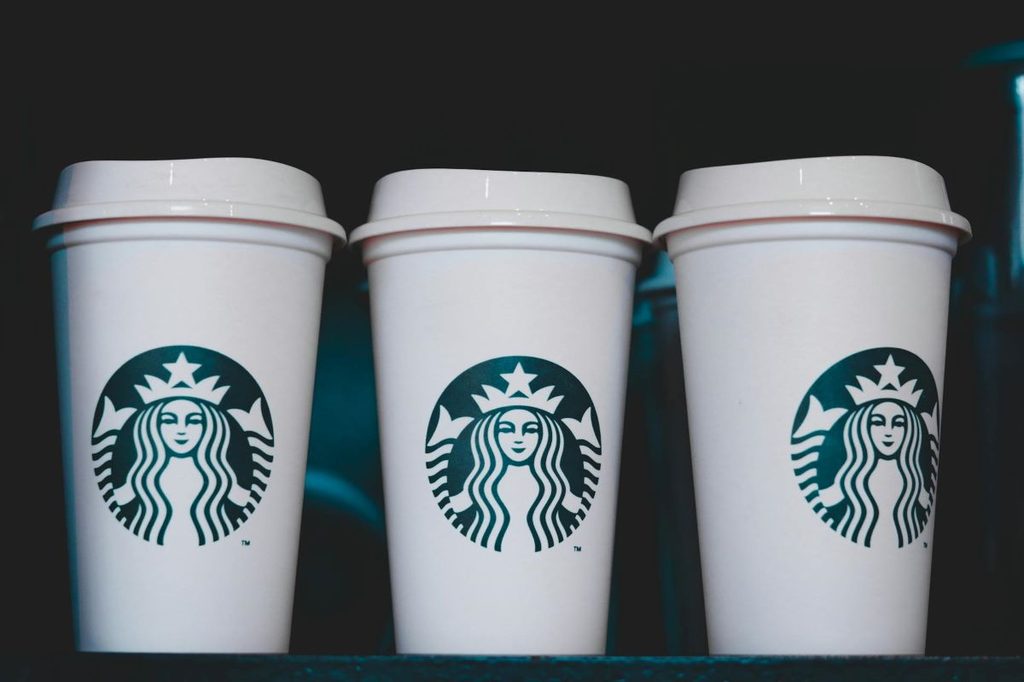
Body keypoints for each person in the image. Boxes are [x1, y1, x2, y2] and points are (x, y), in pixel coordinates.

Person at [110, 396, 251, 545]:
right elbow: (118, 500)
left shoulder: (219, 474)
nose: (181, 430)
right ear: (155, 427)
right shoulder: (143, 473)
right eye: (169, 421)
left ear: (208, 427)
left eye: (194, 421)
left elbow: (244, 501)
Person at [448, 406, 583, 552]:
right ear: (493, 436)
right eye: (507, 430)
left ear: (543, 437)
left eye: (530, 430)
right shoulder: (480, 481)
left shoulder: (553, 482)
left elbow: (577, 508)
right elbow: (455, 508)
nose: (519, 438)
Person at [818, 399, 934, 548]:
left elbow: (926, 501)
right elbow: (826, 500)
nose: (888, 432)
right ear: (864, 428)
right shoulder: (852, 475)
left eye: (898, 424)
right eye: (878, 423)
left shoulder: (913, 477)